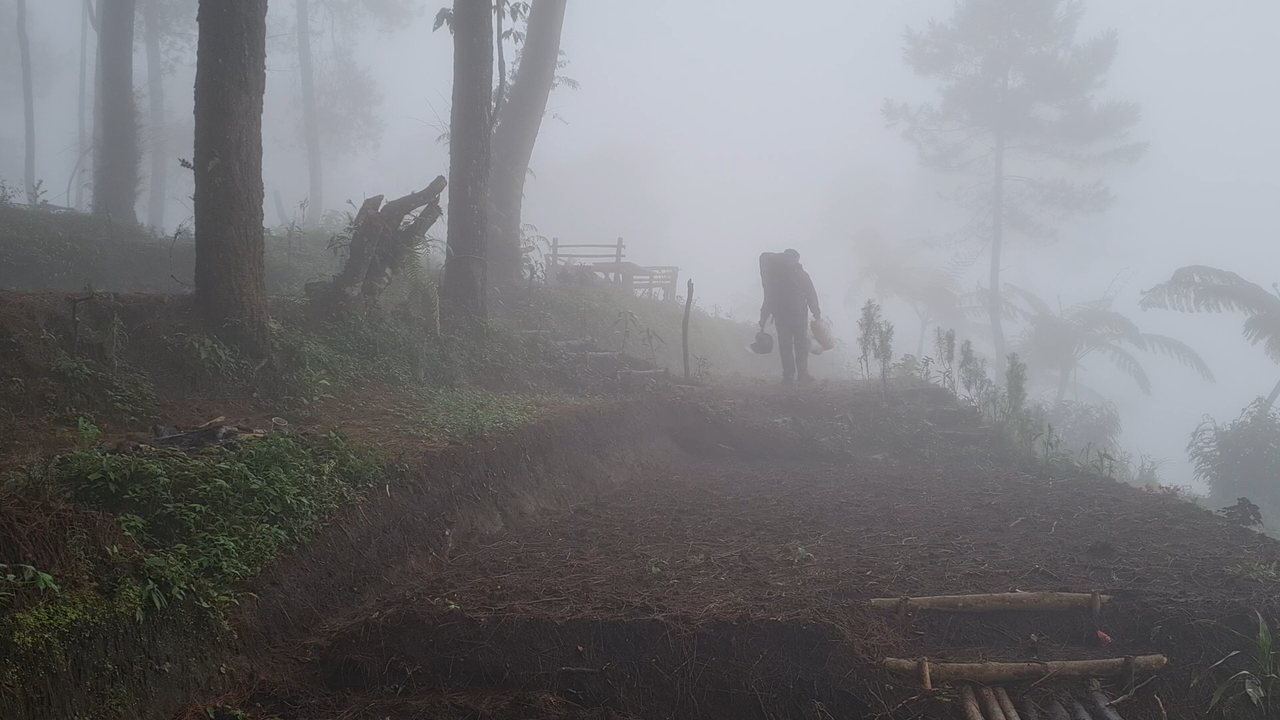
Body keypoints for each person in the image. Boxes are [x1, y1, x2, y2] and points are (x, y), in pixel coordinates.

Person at [759, 248, 822, 384]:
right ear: (795, 259)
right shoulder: (801, 274)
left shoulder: (773, 276)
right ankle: (803, 375)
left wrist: (763, 317)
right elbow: (811, 295)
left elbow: (768, 297)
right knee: (801, 344)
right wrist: (816, 314)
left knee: (785, 345)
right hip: (798, 314)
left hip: (781, 315)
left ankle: (788, 376)